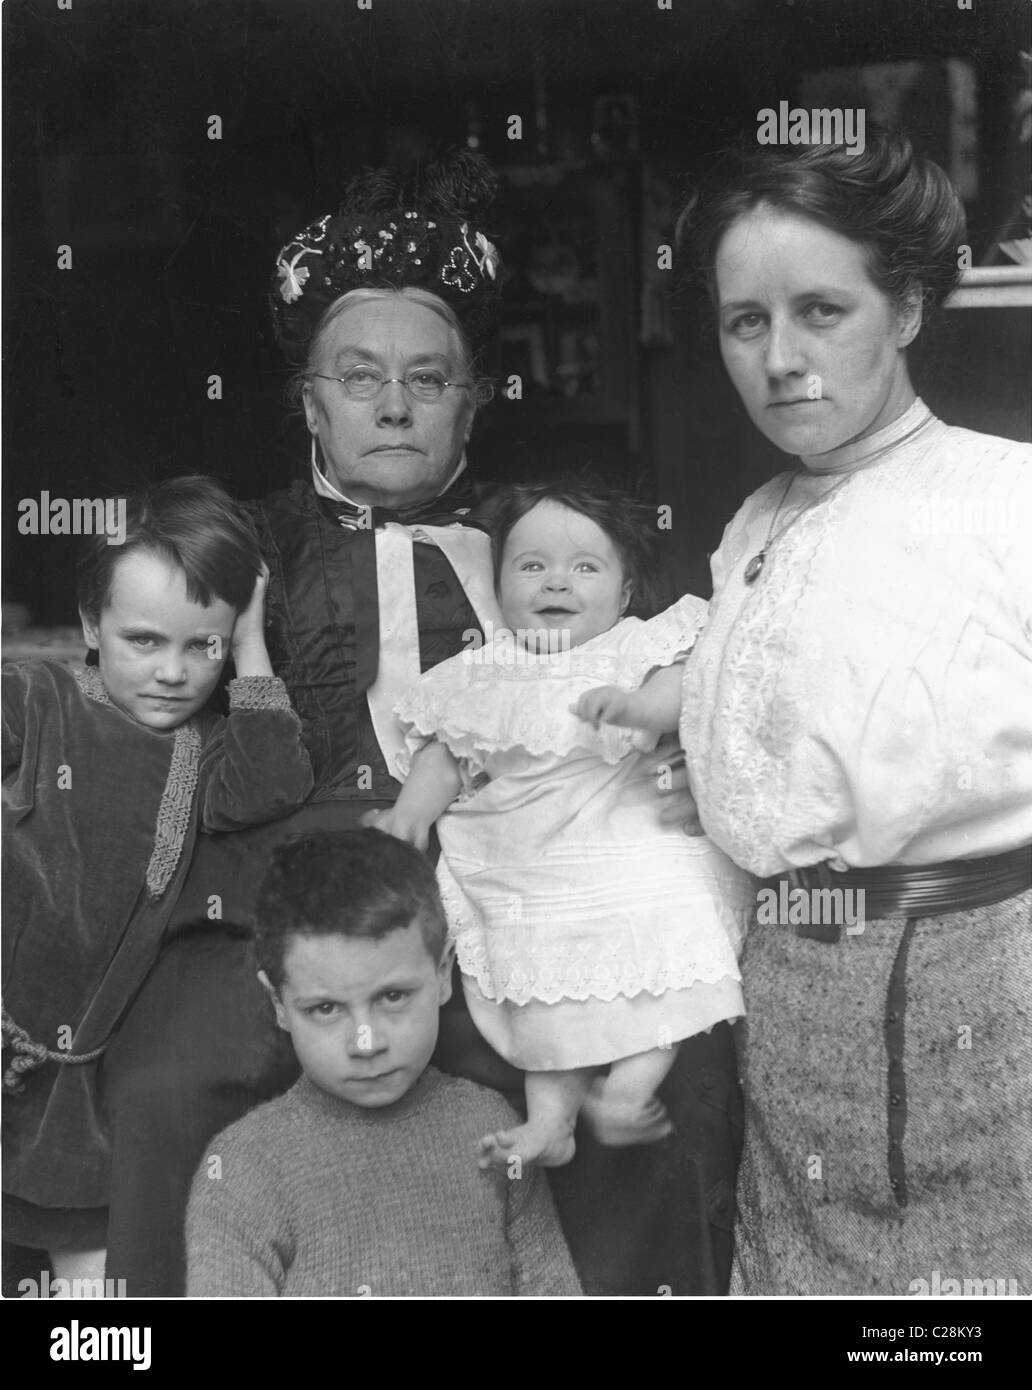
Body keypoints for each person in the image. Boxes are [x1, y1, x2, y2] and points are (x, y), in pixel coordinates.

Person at [102, 151, 742, 1298]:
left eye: (427, 379)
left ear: (473, 398)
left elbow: (661, 674)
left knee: (657, 1084)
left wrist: (686, 756)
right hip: (269, 888)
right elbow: (123, 681)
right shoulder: (237, 538)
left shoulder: (546, 540)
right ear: (310, 401)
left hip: (509, 887)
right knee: (162, 1082)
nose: (393, 404)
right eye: (359, 378)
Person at [656, 126, 1031, 1294]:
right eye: (746, 321)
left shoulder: (1004, 498)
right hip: (793, 1013)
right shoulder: (753, 525)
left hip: (988, 1006)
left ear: (908, 309)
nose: (782, 359)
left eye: (822, 310)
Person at [377, 477, 749, 1169]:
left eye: (585, 567)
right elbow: (444, 754)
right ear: (498, 586)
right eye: (532, 566)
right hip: (525, 850)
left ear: (626, 586)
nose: (557, 582)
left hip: (624, 825)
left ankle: (629, 1092)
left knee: (662, 922)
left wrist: (642, 710)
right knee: (540, 973)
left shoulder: (638, 646)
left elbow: (683, 686)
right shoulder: (478, 672)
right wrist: (409, 813)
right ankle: (552, 1119)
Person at [2, 475, 313, 1292]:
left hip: (68, 1089)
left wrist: (249, 646)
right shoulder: (38, 700)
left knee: (92, 1291)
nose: (174, 672)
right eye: (144, 640)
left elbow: (276, 780)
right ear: (88, 626)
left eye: (201, 645)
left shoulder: (209, 751)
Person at [186, 828, 581, 1296]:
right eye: (326, 1009)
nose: (366, 1042)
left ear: (442, 974)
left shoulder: (493, 1131)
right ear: (278, 1004)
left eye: (393, 997)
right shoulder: (243, 1169)